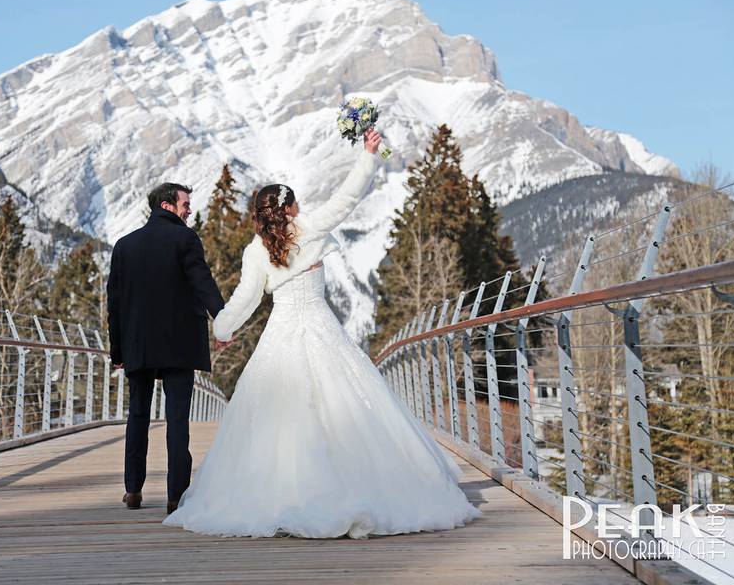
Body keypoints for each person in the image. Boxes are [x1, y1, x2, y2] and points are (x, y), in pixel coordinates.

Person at [163, 130, 480, 538]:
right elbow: (347, 197)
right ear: (289, 207)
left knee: (279, 414)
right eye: (297, 202)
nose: (302, 206)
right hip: (323, 330)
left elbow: (244, 299)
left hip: (281, 335)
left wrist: (223, 328)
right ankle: (353, 486)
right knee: (346, 407)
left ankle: (281, 493)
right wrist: (368, 155)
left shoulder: (256, 250)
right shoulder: (308, 228)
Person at [106, 182, 225, 514]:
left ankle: (133, 490)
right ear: (168, 205)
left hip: (137, 345)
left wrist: (118, 350)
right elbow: (202, 282)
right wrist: (223, 320)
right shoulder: (185, 239)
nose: (190, 209)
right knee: (177, 420)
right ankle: (176, 497)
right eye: (186, 203)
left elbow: (113, 304)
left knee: (138, 416)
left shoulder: (124, 246)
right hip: (179, 344)